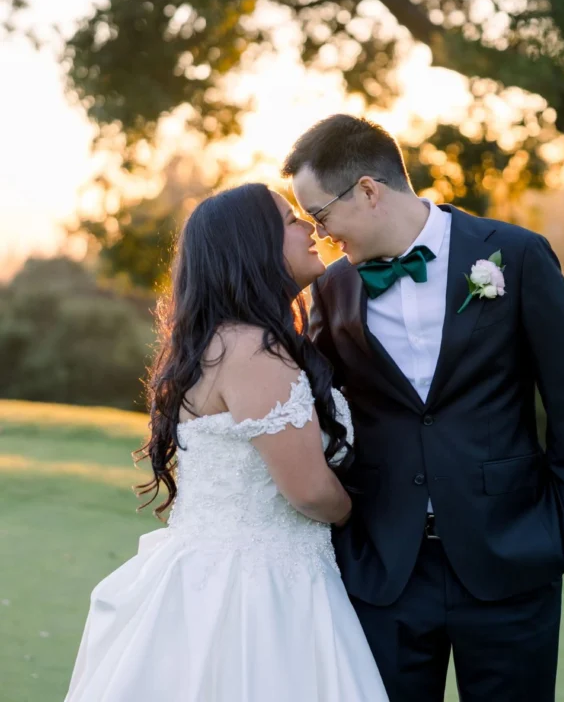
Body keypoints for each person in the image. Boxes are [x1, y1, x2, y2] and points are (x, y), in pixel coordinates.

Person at [285, 114, 564, 702]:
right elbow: (320, 407)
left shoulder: (517, 254)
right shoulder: (331, 290)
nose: (322, 236)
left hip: (511, 553)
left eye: (321, 217)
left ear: (369, 191)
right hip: (385, 565)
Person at [63, 183, 389, 702]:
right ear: (251, 246)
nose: (309, 226)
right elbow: (307, 491)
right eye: (289, 220)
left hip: (212, 574)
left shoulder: (220, 342)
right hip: (258, 591)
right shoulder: (253, 350)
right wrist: (354, 513)